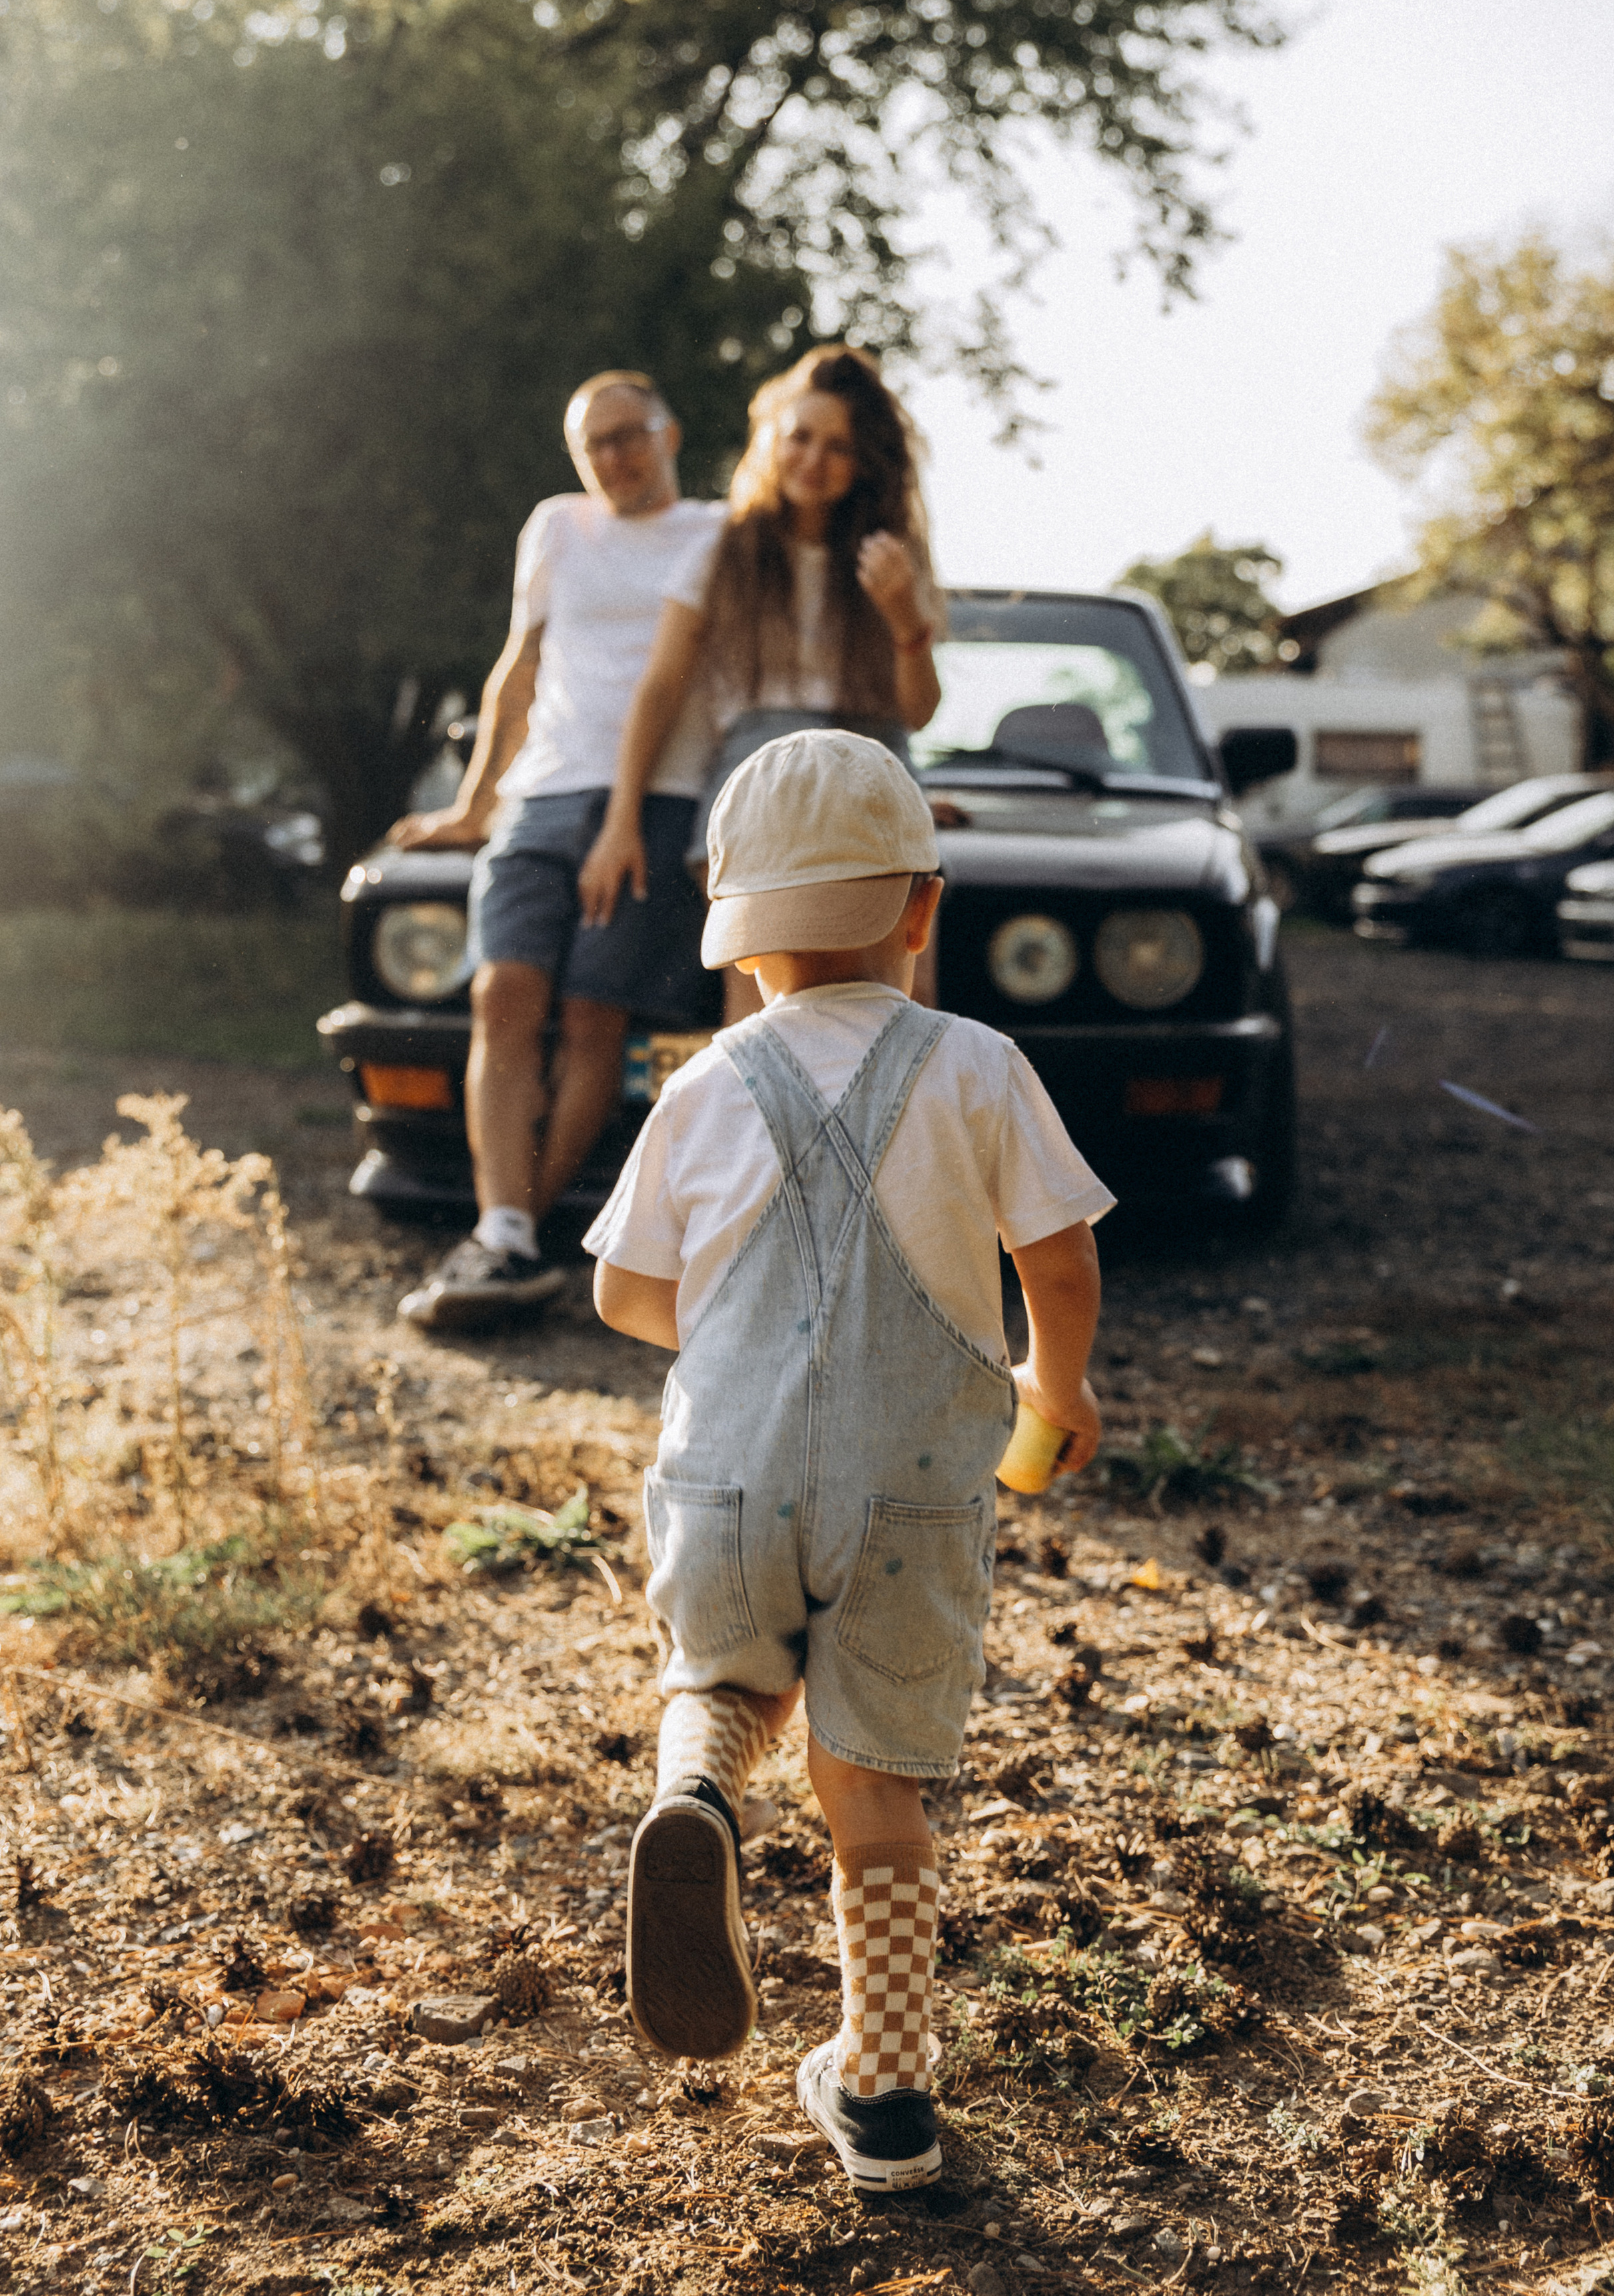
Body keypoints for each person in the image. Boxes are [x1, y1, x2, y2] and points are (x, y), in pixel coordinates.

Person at [586, 729, 1111, 2190]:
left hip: (729, 1480)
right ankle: (884, 2092)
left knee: (728, 1676)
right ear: (921, 910)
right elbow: (1057, 1266)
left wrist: (744, 1328)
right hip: (915, 1492)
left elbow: (624, 1295)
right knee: (872, 1781)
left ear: (736, 945)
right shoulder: (976, 1066)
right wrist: (1048, 1395)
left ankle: (694, 1796)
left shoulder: (700, 1088)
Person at [388, 372, 723, 1331]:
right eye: (595, 445)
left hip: (654, 798)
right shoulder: (556, 527)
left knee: (591, 1020)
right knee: (502, 995)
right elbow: (519, 666)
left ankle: (506, 1238)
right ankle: (507, 1234)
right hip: (543, 793)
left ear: (669, 433)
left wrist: (624, 819)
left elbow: (679, 678)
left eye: (630, 436)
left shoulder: (712, 531)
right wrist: (470, 804)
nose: (615, 457)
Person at [577, 344, 947, 1022]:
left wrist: (905, 620)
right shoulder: (722, 550)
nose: (813, 460)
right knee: (761, 1012)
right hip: (757, 774)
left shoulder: (893, 555)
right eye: (799, 438)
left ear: (866, 460)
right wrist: (621, 817)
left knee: (906, 1003)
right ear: (771, 440)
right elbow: (659, 689)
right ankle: (759, 1132)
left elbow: (918, 712)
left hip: (875, 772)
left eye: (837, 446)